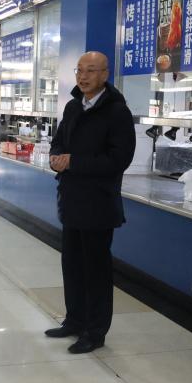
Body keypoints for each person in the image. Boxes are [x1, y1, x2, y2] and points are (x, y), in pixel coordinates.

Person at [45, 51, 135, 354]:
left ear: (105, 75)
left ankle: (95, 331)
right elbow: (58, 141)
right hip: (71, 200)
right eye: (80, 70)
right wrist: (56, 158)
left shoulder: (117, 112)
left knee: (95, 270)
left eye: (91, 71)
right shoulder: (73, 106)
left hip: (98, 204)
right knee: (71, 264)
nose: (83, 77)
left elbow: (118, 159)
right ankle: (74, 320)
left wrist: (74, 162)